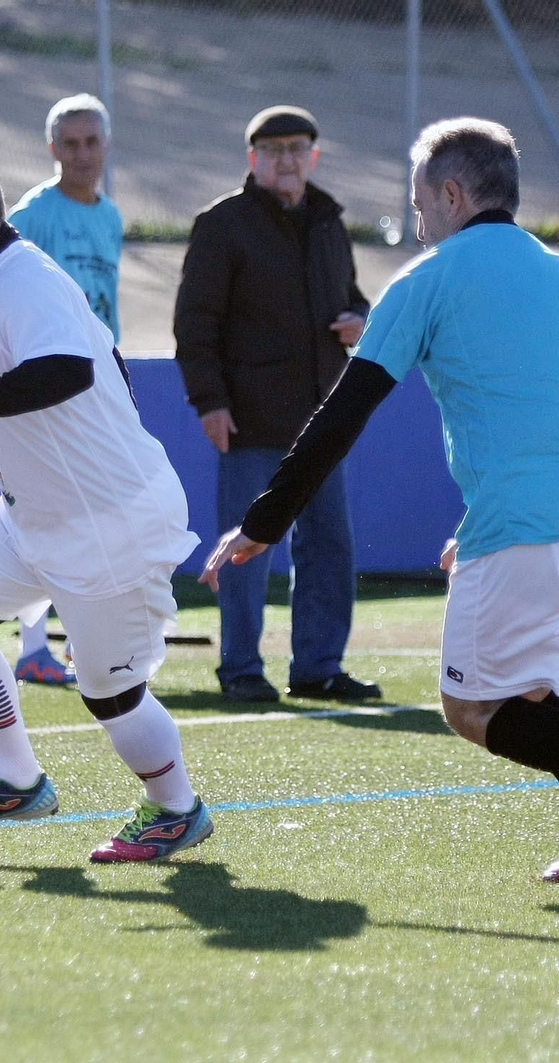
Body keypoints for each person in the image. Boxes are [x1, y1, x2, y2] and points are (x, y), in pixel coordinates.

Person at [200, 118, 559, 894]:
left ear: (451, 193)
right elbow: (548, 406)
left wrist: (263, 521)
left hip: (529, 516)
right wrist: (482, 522)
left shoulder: (429, 278)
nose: (417, 225)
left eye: (418, 207)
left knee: (470, 704)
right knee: (533, 693)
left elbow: (343, 412)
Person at [0, 133, 213, 862]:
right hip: (37, 516)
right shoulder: (5, 282)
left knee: (111, 693)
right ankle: (18, 778)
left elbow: (66, 369)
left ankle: (176, 808)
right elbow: (104, 358)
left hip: (107, 526)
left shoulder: (19, 279)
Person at [173, 104, 378, 704]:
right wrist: (208, 401)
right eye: (274, 149)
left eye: (297, 148)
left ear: (313, 156)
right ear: (252, 159)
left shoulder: (328, 221)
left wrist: (359, 319)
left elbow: (354, 297)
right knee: (244, 550)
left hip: (323, 420)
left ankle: (318, 667)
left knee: (328, 547)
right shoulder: (223, 224)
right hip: (251, 418)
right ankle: (240, 668)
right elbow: (195, 324)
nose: (286, 159)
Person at [3, 93, 126, 686]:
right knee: (46, 511)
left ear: (106, 145)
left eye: (91, 141)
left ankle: (78, 637)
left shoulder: (110, 217)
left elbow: (105, 307)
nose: (81, 154)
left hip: (95, 385)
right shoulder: (32, 216)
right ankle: (34, 644)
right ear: (52, 149)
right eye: (69, 143)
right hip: (45, 385)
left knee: (91, 513)